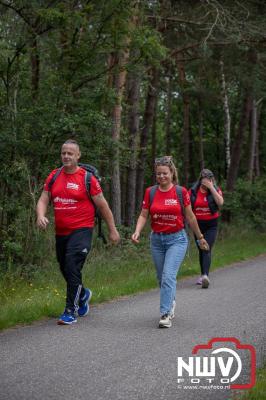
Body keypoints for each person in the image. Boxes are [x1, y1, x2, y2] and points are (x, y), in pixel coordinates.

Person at [36, 139, 120, 325]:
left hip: (82, 230)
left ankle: (70, 311)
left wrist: (112, 230)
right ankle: (83, 294)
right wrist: (40, 215)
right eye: (63, 153)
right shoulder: (54, 176)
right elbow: (43, 199)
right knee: (64, 267)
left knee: (72, 266)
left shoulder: (86, 179)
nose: (66, 156)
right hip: (61, 232)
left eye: (70, 153)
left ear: (78, 156)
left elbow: (103, 206)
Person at [131, 156, 209, 329]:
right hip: (157, 240)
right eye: (158, 174)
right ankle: (170, 301)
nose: (161, 177)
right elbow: (144, 214)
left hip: (177, 239)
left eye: (165, 173)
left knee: (168, 276)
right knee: (161, 278)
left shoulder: (181, 192)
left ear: (172, 173)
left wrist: (200, 237)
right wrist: (137, 231)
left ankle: (165, 313)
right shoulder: (150, 192)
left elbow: (190, 216)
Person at [189, 168, 224, 289]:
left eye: (209, 179)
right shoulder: (193, 191)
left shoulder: (215, 189)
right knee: (201, 249)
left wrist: (212, 188)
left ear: (212, 180)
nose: (207, 181)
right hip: (197, 225)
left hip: (211, 225)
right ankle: (203, 275)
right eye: (205, 179)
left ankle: (205, 276)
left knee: (206, 247)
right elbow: (187, 207)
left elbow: (220, 202)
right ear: (201, 179)